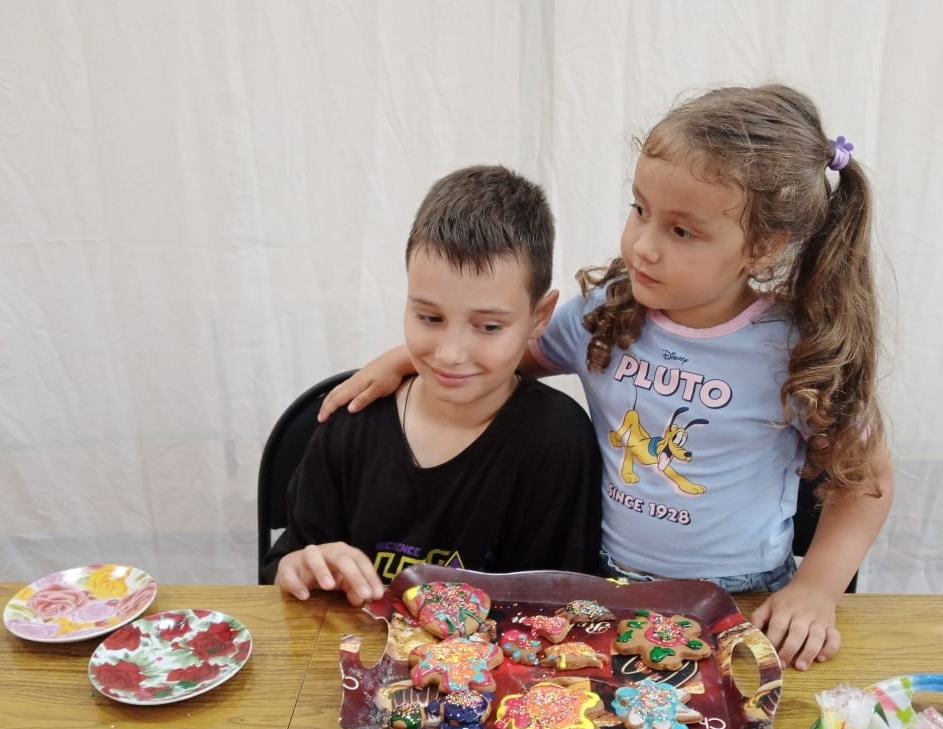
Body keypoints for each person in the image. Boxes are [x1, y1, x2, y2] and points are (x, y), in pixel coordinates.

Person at [316, 84, 895, 670]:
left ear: (764, 247)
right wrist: (404, 359)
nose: (642, 246)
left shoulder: (798, 350)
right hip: (604, 587)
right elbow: (497, 353)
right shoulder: (605, 313)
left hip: (740, 598)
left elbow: (864, 483)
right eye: (640, 210)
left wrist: (816, 588)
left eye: (682, 231)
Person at [262, 164, 602, 605]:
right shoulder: (353, 422)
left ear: (540, 316)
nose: (450, 354)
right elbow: (285, 566)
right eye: (429, 317)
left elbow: (560, 607)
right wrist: (299, 567)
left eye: (488, 326)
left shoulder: (557, 441)